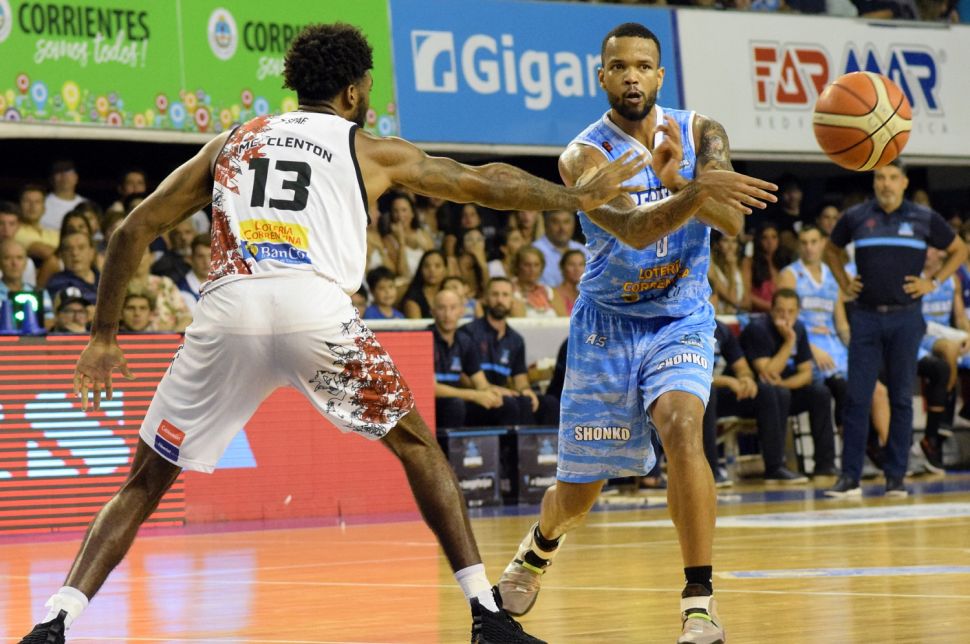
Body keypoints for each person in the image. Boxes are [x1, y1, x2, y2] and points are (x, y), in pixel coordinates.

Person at [19, 21, 702, 644]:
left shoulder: (233, 141)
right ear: (352, 91)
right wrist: (571, 197)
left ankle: (55, 621)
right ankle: (485, 615)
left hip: (228, 313)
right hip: (315, 313)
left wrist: (103, 336)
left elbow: (131, 228)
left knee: (144, 483)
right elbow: (479, 183)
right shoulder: (367, 147)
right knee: (418, 448)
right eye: (369, 87)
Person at [495, 22, 776, 644]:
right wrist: (689, 191)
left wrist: (681, 182)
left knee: (682, 427)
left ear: (659, 75)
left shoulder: (702, 133)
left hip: (680, 316)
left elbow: (731, 222)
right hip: (609, 326)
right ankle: (538, 547)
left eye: (643, 66)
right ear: (602, 77)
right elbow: (634, 230)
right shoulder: (584, 157)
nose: (631, 77)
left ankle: (698, 601)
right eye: (619, 66)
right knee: (578, 495)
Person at [823, 160, 967, 499]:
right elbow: (831, 249)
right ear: (874, 182)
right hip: (866, 316)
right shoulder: (857, 216)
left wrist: (933, 282)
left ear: (903, 183)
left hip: (906, 318)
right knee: (857, 397)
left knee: (901, 398)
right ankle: (850, 477)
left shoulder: (922, 217)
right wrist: (844, 281)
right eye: (879, 178)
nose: (885, 184)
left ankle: (896, 478)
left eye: (891, 178)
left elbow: (960, 249)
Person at [740, 289, 838, 478]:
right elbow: (768, 374)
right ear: (771, 310)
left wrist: (784, 383)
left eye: (791, 311)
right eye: (780, 311)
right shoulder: (757, 329)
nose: (785, 317)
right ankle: (775, 467)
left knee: (820, 392)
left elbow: (806, 374)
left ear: (798, 312)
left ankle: (825, 464)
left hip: (782, 388)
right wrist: (789, 341)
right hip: (755, 396)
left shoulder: (799, 327)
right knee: (775, 393)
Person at [703, 319, 798, 487]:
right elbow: (687, 373)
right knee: (708, 392)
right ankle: (710, 471)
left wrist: (745, 379)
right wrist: (727, 381)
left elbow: (743, 368)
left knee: (767, 391)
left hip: (719, 396)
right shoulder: (683, 325)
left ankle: (775, 467)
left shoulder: (721, 329)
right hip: (692, 393)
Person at [458, 277, 559, 426]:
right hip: (478, 398)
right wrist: (491, 390)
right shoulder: (468, 333)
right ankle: (519, 441)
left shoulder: (516, 340)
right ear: (485, 299)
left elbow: (520, 380)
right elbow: (461, 377)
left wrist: (526, 390)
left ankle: (545, 441)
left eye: (505, 295)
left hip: (504, 397)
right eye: (495, 294)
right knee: (512, 404)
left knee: (549, 403)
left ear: (512, 300)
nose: (500, 300)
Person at [432, 288, 524, 429]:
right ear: (433, 311)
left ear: (462, 311)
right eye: (441, 308)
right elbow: (431, 389)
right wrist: (474, 395)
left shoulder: (465, 341)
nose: (447, 314)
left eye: (453, 308)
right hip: (433, 405)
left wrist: (497, 392)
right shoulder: (424, 339)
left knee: (507, 404)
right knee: (455, 405)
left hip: (460, 401)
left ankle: (508, 445)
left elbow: (482, 385)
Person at [533, 210, 586, 288]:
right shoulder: (534, 252)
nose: (562, 228)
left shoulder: (584, 251)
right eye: (555, 222)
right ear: (546, 224)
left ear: (573, 224)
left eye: (566, 222)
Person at [511, 246, 566, 317]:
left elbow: (564, 319)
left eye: (536, 265)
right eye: (527, 265)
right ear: (517, 266)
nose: (532, 269)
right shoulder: (508, 291)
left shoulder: (550, 292)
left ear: (542, 267)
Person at [708, 231, 748, 315]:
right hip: (721, 317)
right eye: (725, 240)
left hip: (739, 316)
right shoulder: (712, 268)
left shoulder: (743, 264)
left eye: (734, 241)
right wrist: (732, 268)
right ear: (717, 244)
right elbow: (733, 298)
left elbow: (748, 303)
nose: (730, 246)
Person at [400, 249, 448, 319]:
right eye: (426, 266)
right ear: (421, 270)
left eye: (437, 266)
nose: (432, 270)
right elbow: (417, 325)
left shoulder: (449, 293)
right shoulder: (413, 299)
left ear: (446, 270)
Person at [44, 160, 86, 229]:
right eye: (58, 172)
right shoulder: (40, 203)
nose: (64, 176)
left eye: (68, 172)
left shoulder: (86, 204)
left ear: (76, 177)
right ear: (51, 179)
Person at [176, 234, 211, 313]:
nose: (207, 262)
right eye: (200, 256)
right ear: (190, 259)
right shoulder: (182, 290)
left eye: (211, 256)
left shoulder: (226, 281)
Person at [554, 249, 585, 316]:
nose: (577, 269)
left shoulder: (583, 296)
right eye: (571, 264)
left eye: (581, 264)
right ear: (562, 267)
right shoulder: (553, 294)